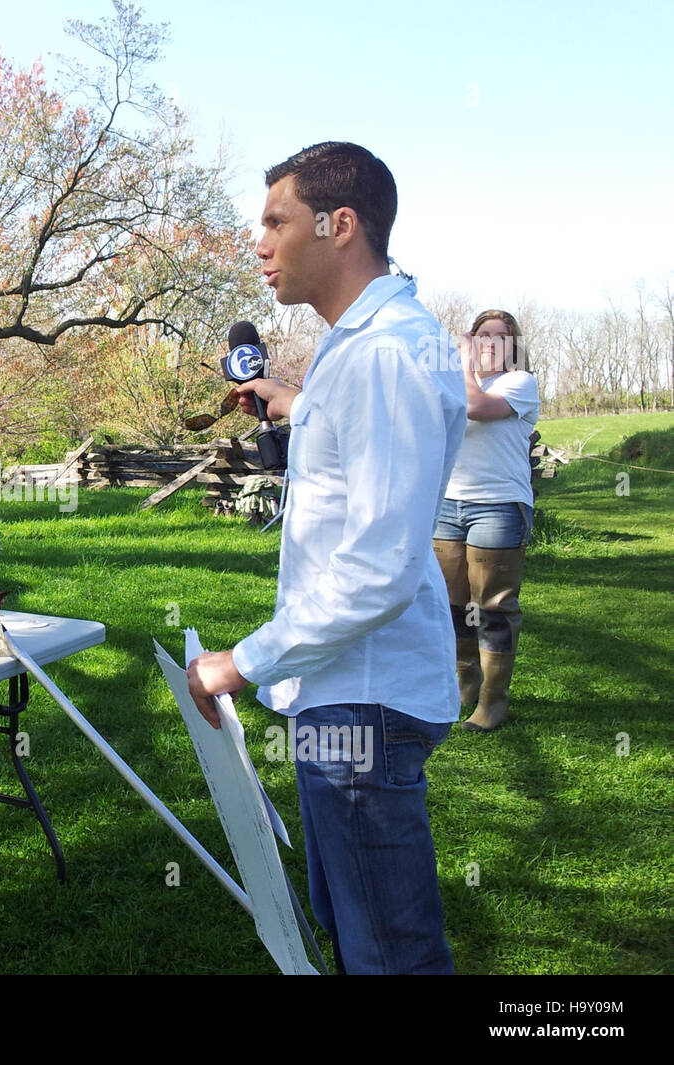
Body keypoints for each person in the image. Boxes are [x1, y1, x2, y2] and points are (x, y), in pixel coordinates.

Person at [186, 143, 467, 974]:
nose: (260, 241)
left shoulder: (383, 355)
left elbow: (376, 568)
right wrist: (295, 407)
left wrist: (240, 662)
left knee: (387, 954)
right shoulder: (370, 347)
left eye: (275, 221)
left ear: (338, 225)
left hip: (361, 706)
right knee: (353, 938)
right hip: (348, 698)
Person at [433, 311, 538, 732]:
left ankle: (494, 701)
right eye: (482, 335)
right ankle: (467, 684)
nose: (490, 342)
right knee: (454, 606)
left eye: (501, 336)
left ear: (514, 347)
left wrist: (461, 359)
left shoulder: (519, 383)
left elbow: (475, 407)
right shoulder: (454, 381)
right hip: (449, 505)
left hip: (498, 506)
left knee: (492, 607)